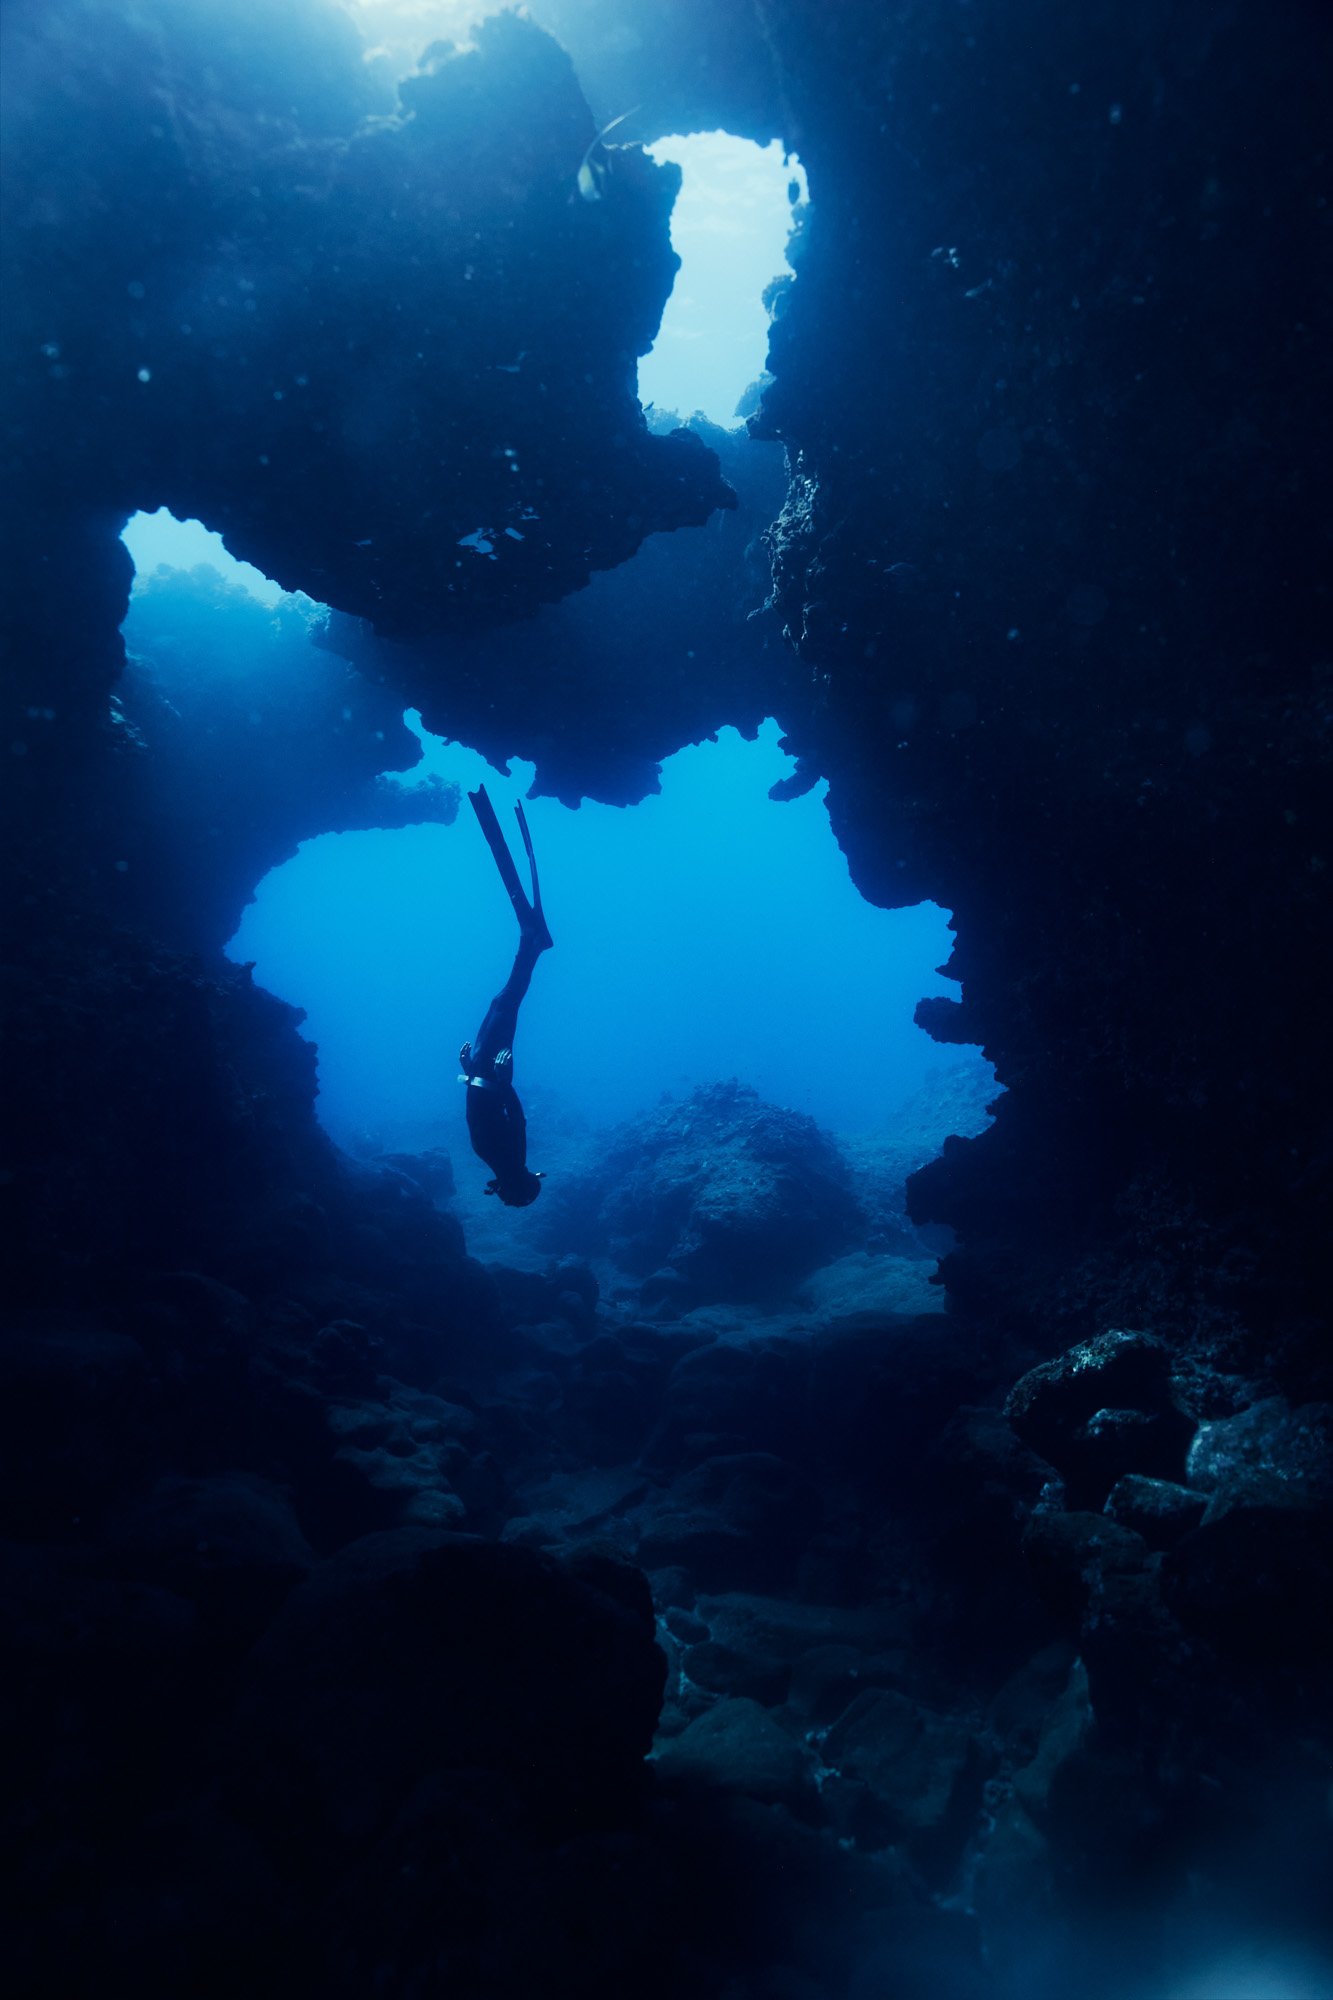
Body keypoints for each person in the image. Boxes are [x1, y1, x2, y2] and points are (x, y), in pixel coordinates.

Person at [458, 784, 553, 1206]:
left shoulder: (498, 1160)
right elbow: (516, 1118)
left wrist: (474, 1073)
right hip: (491, 1074)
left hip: (481, 1071)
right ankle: (532, 942)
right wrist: (502, 1081)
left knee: (501, 1003)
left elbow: (484, 1117)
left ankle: (532, 942)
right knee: (506, 1003)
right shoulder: (508, 1157)